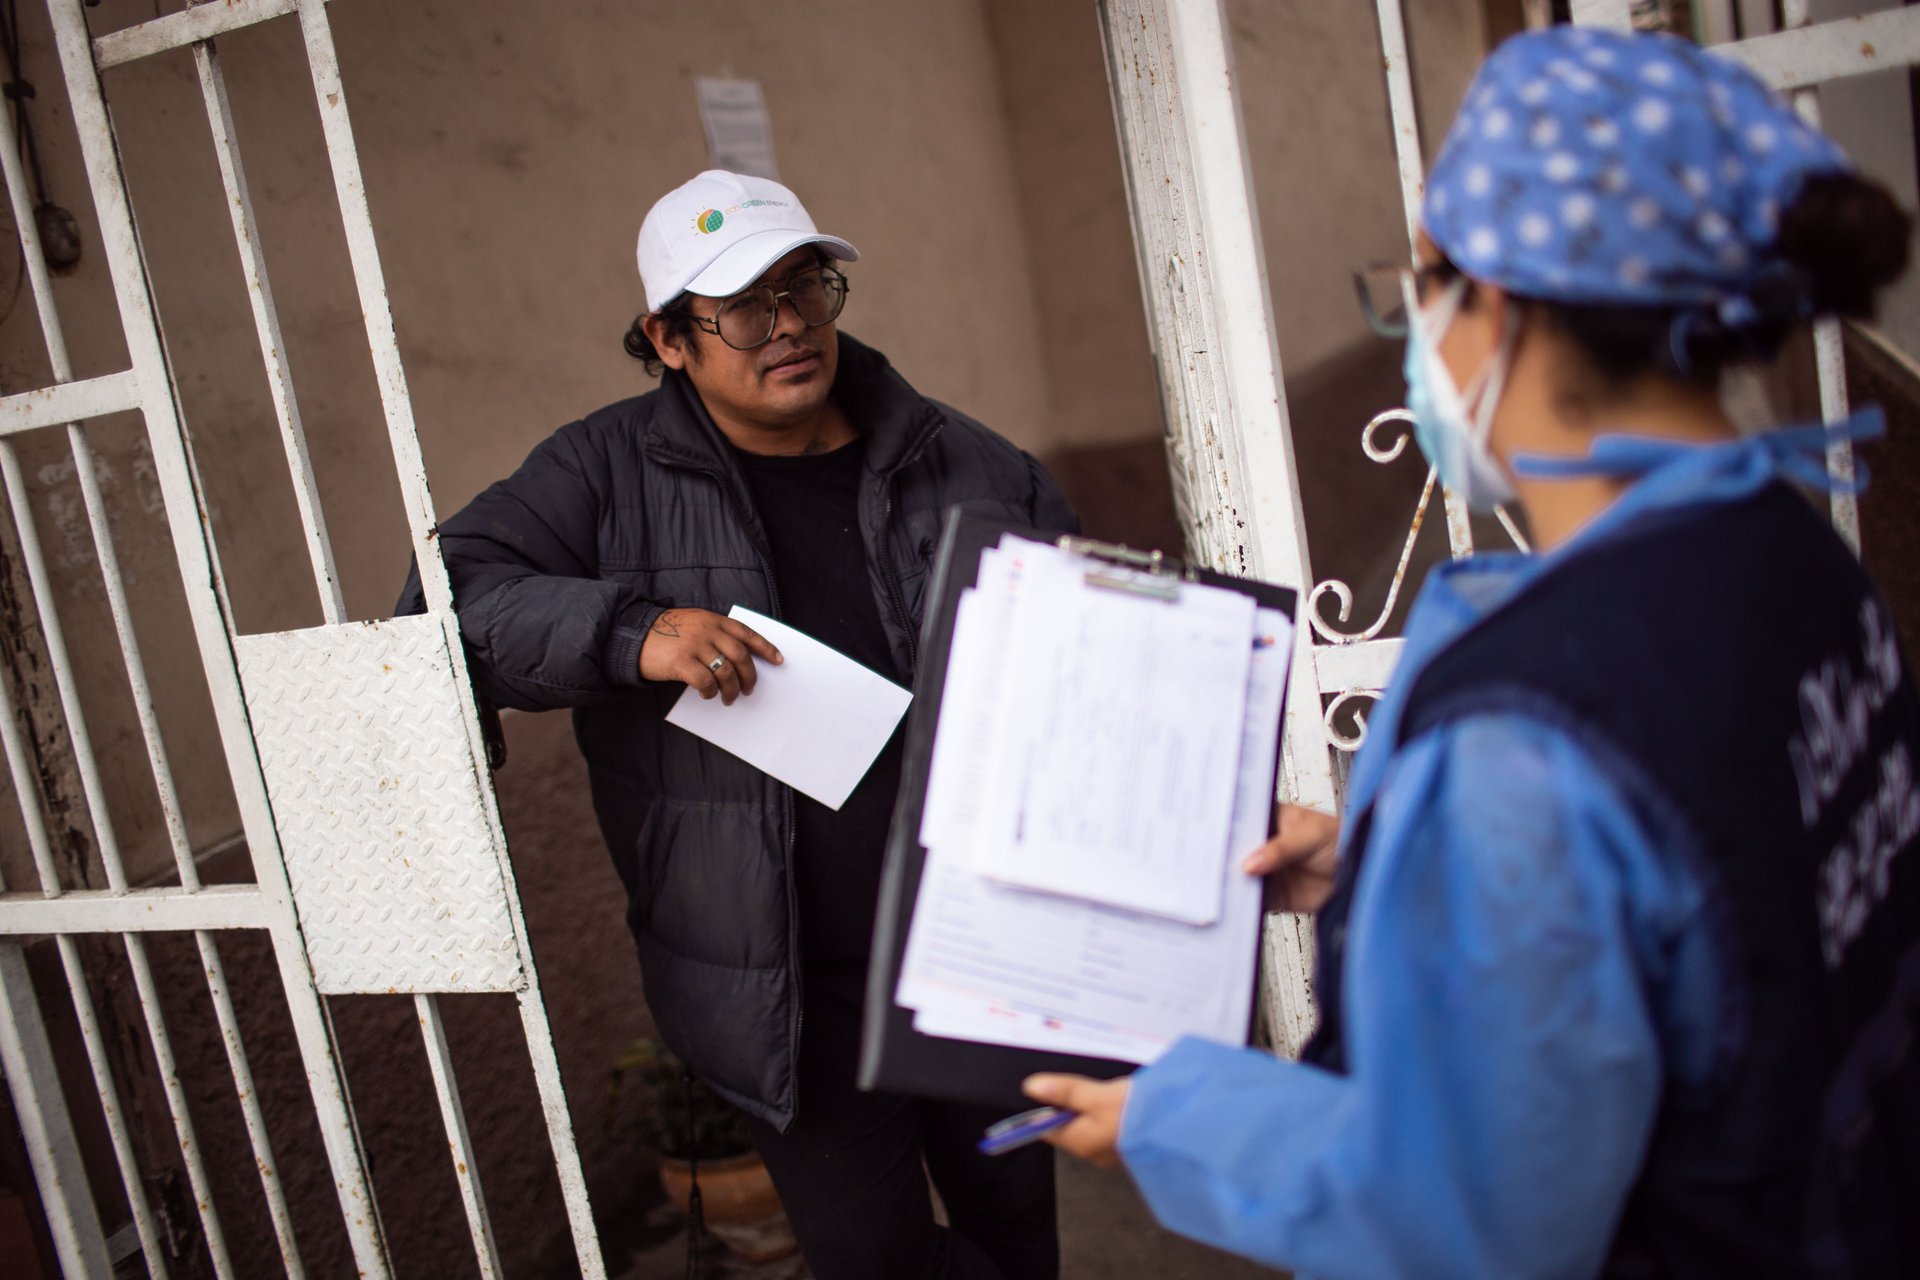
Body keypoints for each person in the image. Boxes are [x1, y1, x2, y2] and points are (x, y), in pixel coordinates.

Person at [1024, 26, 1918, 1280]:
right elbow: (1726, 895)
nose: (1414, 334)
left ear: (1497, 305)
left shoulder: (1522, 742)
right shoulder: (1803, 551)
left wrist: (1177, 1114)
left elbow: (1465, 1218)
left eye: (1418, 284)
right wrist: (1381, 867)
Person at [401, 169, 1076, 1279]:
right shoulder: (603, 472)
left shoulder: (965, 460)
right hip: (785, 994)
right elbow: (441, 600)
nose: (792, 327)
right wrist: (631, 629)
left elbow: (1076, 645)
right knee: (873, 1256)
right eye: (746, 308)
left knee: (1015, 1232)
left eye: (806, 286)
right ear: (669, 340)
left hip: (973, 953)